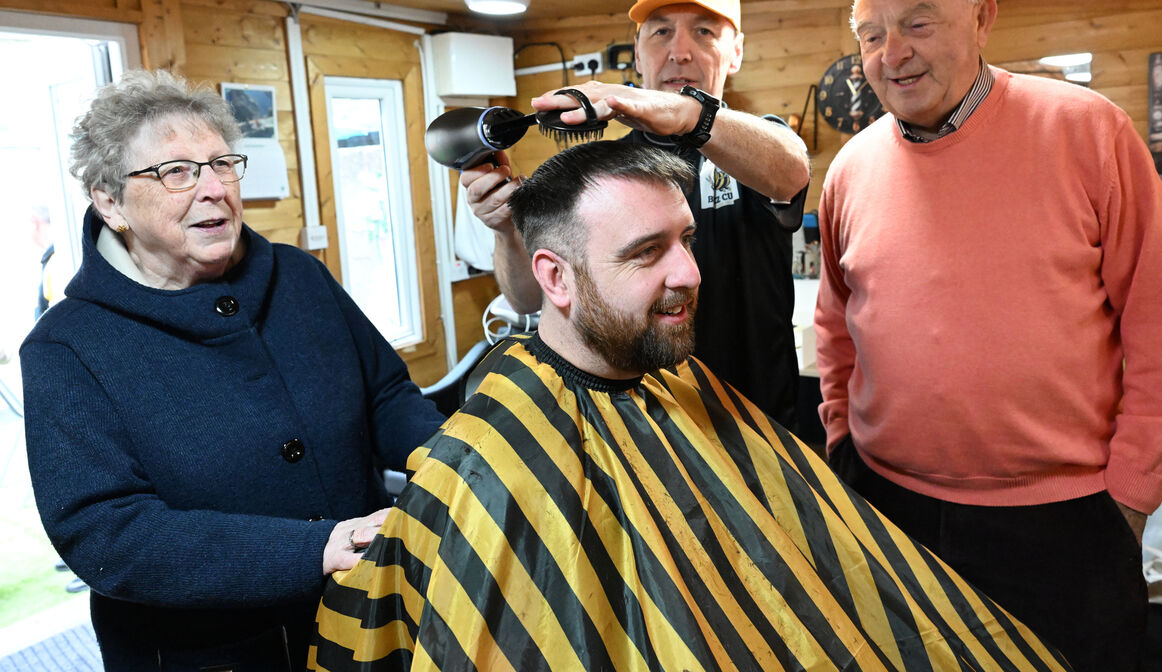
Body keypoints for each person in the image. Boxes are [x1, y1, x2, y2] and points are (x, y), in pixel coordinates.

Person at [309, 140, 1069, 672]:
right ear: (557, 277)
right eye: (647, 253)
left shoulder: (683, 384)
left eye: (686, 240)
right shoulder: (486, 460)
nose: (689, 271)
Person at [815, 0, 1162, 672]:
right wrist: (841, 439)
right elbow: (836, 325)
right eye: (870, 35)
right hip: (889, 506)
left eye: (917, 25)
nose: (890, 54)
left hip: (1067, 522)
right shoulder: (848, 169)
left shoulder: (1088, 130)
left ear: (982, 19)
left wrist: (1133, 494)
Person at [19, 70, 446, 671]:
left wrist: (459, 465)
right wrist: (311, 548)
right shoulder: (66, 347)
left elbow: (386, 396)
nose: (213, 188)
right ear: (109, 200)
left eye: (222, 163)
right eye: (176, 172)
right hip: (214, 654)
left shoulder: (300, 276)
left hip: (372, 616)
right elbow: (107, 535)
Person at [460, 0, 812, 434]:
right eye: (661, 32)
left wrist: (689, 113)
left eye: (705, 32)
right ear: (639, 52)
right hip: (644, 434)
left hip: (760, 426)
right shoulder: (601, 172)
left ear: (736, 54)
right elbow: (526, 299)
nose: (680, 52)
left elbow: (789, 167)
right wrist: (505, 229)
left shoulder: (759, 148)